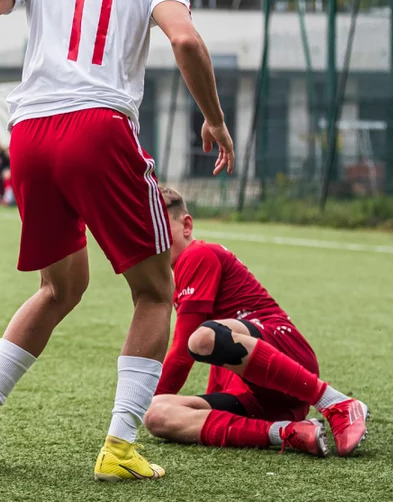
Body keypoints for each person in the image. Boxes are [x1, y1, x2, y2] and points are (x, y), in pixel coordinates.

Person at [0, 0, 235, 481]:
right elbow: (186, 42)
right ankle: (120, 447)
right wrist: (214, 120)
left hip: (29, 135)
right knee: (155, 290)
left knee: (60, 289)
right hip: (97, 129)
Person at [143, 187, 369, 456]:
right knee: (156, 415)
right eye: (145, 232)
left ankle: (335, 401)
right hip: (256, 395)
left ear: (187, 225)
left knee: (202, 338)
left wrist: (140, 402)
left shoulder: (197, 254)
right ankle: (287, 432)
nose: (152, 239)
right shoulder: (174, 278)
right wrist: (150, 404)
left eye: (160, 227)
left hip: (288, 358)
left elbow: (184, 352)